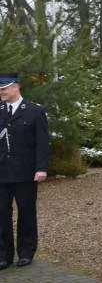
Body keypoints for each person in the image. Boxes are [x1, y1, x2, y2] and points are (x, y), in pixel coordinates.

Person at [0, 73, 49, 270]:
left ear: (16, 87)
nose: (1, 91)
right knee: (1, 212)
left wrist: (41, 168)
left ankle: (26, 252)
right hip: (2, 172)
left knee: (26, 211)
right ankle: (3, 255)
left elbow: (42, 143)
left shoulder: (34, 111)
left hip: (26, 172)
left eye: (4, 88)